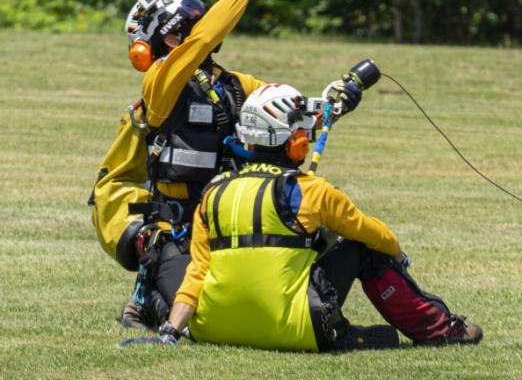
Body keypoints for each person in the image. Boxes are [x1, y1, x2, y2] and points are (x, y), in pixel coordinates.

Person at [89, 0, 364, 328]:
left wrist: (332, 103)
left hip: (228, 220)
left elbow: (289, 111)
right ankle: (148, 297)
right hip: (176, 228)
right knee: (198, 318)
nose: (204, 32)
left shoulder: (232, 86)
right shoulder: (160, 86)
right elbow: (198, 44)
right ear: (169, 36)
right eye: (190, 27)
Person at [123, 83, 482, 351]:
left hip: (213, 329)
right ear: (290, 141)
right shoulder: (313, 190)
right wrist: (396, 252)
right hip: (299, 330)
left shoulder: (214, 193)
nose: (305, 139)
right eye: (300, 133)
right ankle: (439, 330)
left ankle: (156, 314)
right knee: (366, 247)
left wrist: (172, 330)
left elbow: (198, 273)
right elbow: (376, 234)